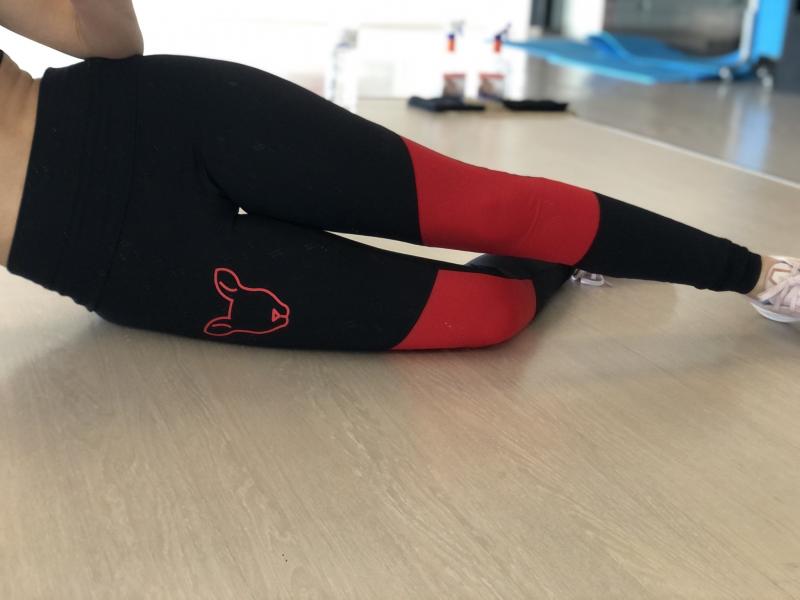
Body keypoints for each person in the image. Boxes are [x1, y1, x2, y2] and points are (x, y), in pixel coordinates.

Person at [0, 0, 797, 352]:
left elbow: (108, 40)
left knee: (488, 206)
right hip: (103, 260)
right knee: (485, 317)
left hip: (150, 120)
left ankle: (760, 275)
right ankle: (567, 257)